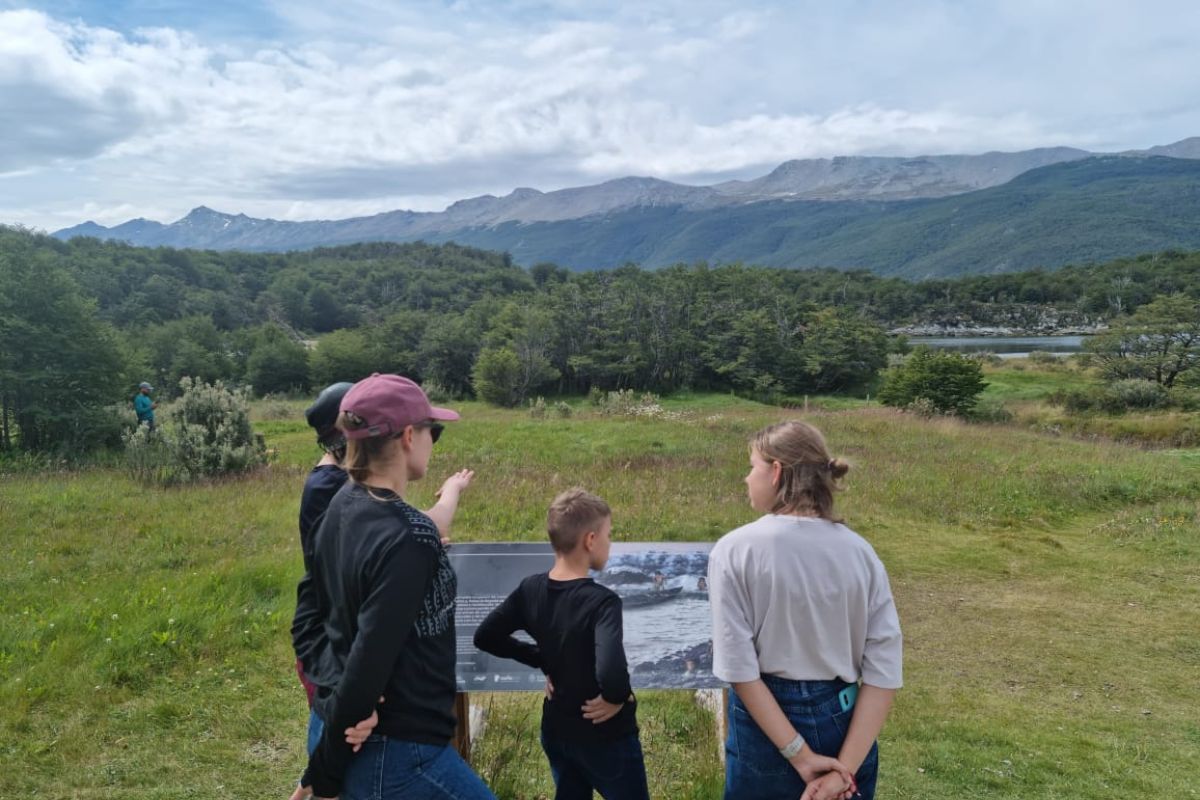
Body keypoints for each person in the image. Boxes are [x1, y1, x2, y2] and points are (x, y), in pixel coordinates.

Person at [295, 373, 486, 800]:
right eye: (431, 430)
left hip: (355, 733)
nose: (432, 441)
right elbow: (368, 663)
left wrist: (329, 713)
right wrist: (325, 778)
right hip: (401, 751)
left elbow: (309, 614)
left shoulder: (341, 505)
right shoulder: (410, 535)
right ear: (406, 437)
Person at [708, 421, 903, 800]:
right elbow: (884, 672)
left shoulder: (735, 551)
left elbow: (739, 670)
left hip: (765, 729)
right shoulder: (861, 553)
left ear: (776, 470)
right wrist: (843, 773)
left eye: (752, 466)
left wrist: (799, 755)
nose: (746, 478)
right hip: (846, 721)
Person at [473, 488, 650, 800]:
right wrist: (618, 697)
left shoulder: (530, 589)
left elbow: (486, 635)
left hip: (556, 727)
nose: (610, 543)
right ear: (590, 540)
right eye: (608, 535)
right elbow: (611, 670)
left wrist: (541, 658)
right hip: (606, 735)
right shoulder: (602, 603)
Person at [292, 382, 354, 755]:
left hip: (337, 630)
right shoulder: (326, 487)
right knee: (330, 742)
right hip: (327, 636)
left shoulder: (339, 480)